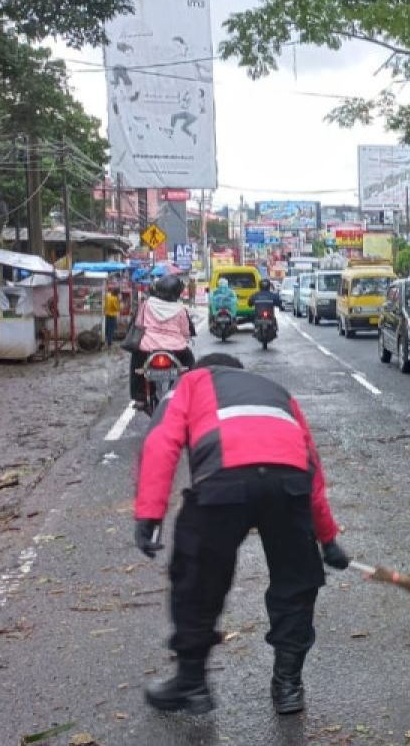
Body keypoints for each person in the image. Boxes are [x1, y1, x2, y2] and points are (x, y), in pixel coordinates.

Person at [132, 353, 350, 715]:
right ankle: (288, 686)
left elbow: (160, 440)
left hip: (223, 482)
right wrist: (327, 541)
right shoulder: (278, 393)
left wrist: (149, 515)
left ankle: (192, 683)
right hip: (289, 482)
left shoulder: (190, 382)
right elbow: (312, 471)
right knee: (296, 584)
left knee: (197, 579)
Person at [130, 275, 195, 408]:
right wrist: (186, 337)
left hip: (147, 347)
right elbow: (185, 331)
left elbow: (138, 323)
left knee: (136, 367)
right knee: (190, 365)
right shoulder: (180, 309)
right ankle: (191, 395)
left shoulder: (146, 305)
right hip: (176, 348)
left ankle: (140, 397)